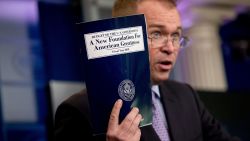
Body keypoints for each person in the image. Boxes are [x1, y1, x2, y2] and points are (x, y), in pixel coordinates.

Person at [54, 0, 240, 141]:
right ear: (122, 36)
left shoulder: (186, 95)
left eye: (175, 35)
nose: (170, 48)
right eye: (157, 34)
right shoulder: (78, 110)